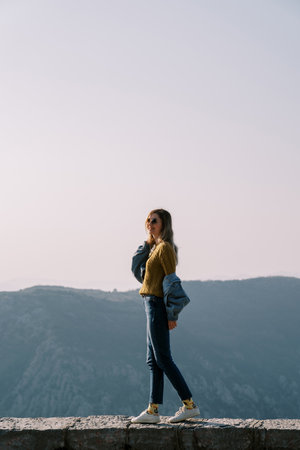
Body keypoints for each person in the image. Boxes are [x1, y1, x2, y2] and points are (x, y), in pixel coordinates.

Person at [130, 208, 200, 424]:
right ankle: (153, 410)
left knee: (163, 358)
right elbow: (136, 268)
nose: (150, 224)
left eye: (154, 221)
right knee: (153, 360)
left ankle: (189, 405)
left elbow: (172, 282)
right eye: (148, 221)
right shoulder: (155, 248)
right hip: (149, 303)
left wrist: (172, 314)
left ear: (164, 224)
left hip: (158, 305)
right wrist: (147, 243)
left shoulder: (166, 249)